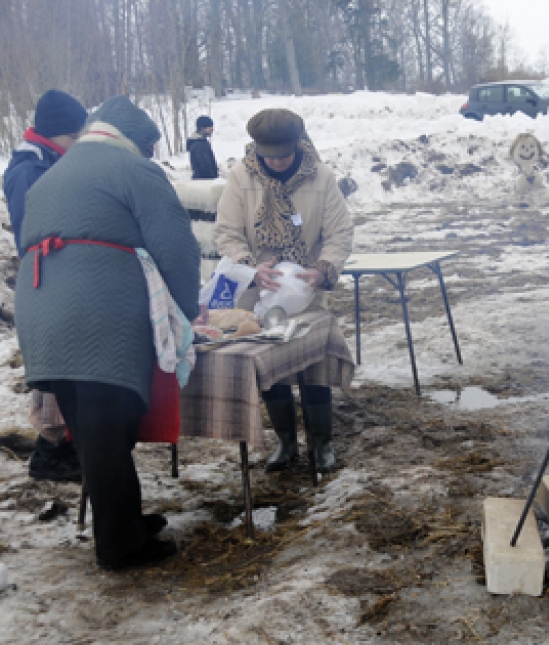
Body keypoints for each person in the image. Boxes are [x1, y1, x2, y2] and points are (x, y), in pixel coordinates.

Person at [15, 95, 201, 569]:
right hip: (96, 313)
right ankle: (120, 547)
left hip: (41, 310)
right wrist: (186, 309)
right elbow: (176, 245)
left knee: (99, 432)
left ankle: (126, 521)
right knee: (105, 432)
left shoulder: (55, 172)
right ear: (135, 142)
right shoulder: (132, 169)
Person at [215, 109, 353, 473]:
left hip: (306, 288)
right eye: (268, 156)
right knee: (268, 364)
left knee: (313, 365)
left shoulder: (321, 177)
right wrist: (248, 265)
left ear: (299, 146)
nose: (275, 162)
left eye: (283, 155)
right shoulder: (241, 176)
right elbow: (226, 232)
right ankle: (286, 441)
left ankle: (321, 444)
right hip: (260, 290)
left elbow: (339, 233)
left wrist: (323, 270)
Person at [3, 89, 88, 482]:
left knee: (68, 367)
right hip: (46, 279)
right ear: (54, 134)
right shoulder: (28, 170)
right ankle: (49, 454)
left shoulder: (49, 160)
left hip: (61, 278)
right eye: (73, 138)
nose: (76, 146)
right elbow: (30, 234)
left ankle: (65, 446)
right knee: (55, 371)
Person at [187, 115, 219, 179]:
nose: (212, 129)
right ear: (202, 128)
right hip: (204, 182)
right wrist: (212, 178)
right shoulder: (199, 145)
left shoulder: (202, 142)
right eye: (209, 127)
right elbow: (205, 167)